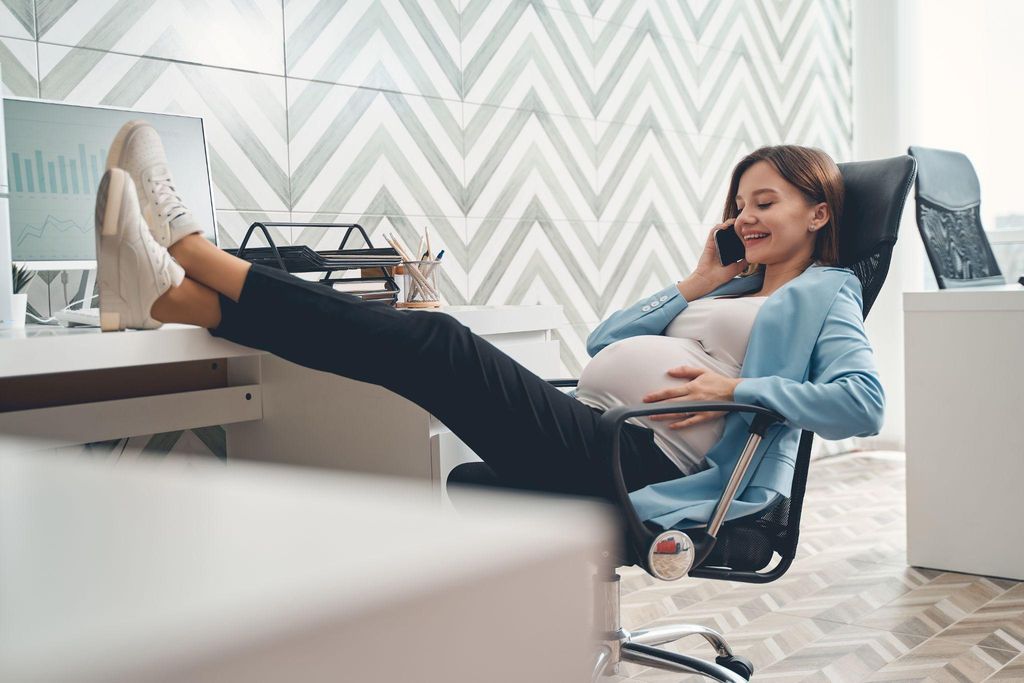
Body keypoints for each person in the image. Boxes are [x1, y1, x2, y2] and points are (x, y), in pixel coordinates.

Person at [95, 122, 883, 528]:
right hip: (605, 431)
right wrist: (697, 281)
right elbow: (606, 341)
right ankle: (174, 297)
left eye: (765, 202)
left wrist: (737, 385)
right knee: (414, 348)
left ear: (818, 212)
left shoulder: (825, 292)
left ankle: (190, 252)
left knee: (433, 340)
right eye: (738, 203)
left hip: (654, 466)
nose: (744, 216)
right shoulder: (725, 290)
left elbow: (863, 402)